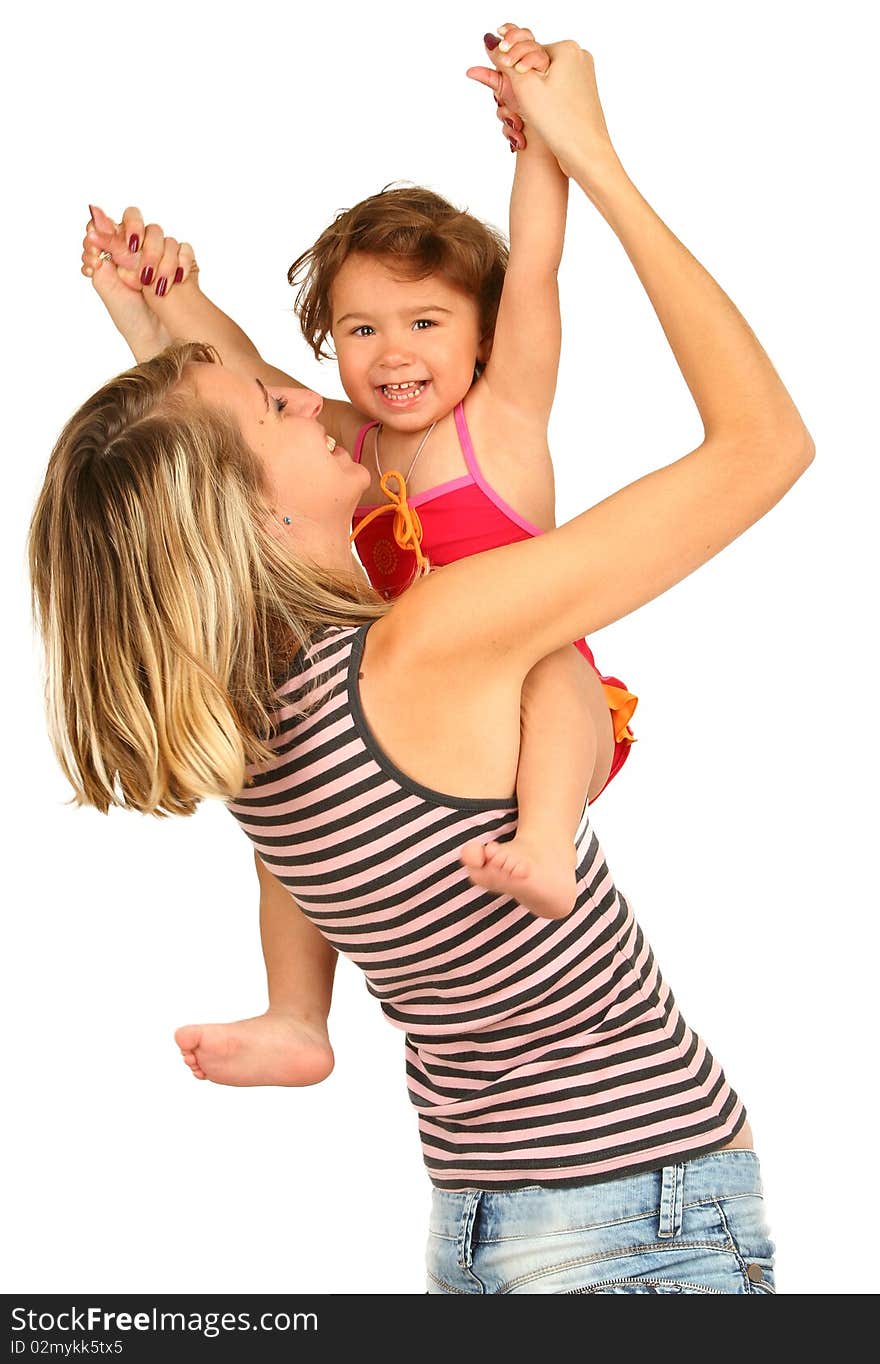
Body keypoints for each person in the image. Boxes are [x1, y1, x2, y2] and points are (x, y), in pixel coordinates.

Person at [31, 36, 813, 1293]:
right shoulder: (429, 641)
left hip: (483, 1208)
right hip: (629, 1213)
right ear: (245, 514)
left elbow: (190, 471)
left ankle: (300, 1020)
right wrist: (589, 155)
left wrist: (156, 314)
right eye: (278, 409)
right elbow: (765, 443)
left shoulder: (246, 724)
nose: (308, 398)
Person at [82, 25, 639, 944]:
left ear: (485, 336)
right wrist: (161, 292)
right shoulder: (353, 443)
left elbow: (535, 266)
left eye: (425, 320)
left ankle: (545, 847)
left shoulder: (498, 420)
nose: (394, 354)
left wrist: (543, 143)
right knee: (288, 797)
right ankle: (296, 1012)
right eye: (360, 330)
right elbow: (246, 380)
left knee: (547, 663)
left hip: (540, 712)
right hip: (430, 722)